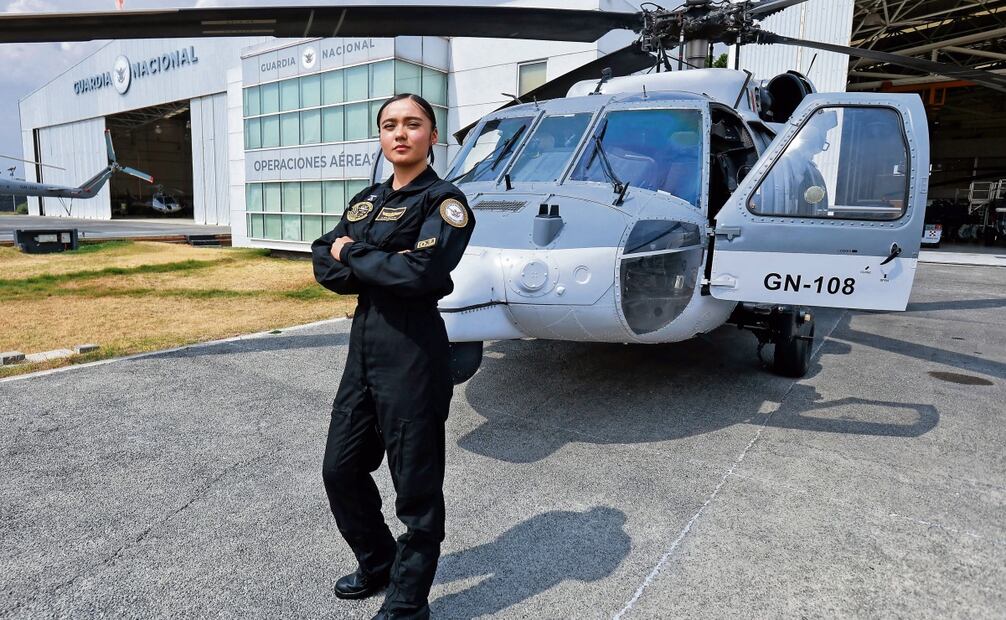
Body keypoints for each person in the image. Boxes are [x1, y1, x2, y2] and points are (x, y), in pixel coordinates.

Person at [311, 93, 475, 620]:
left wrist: (354, 252)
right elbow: (323, 262)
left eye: (412, 124)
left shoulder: (445, 202)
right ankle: (378, 558)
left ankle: (409, 601)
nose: (399, 133)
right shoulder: (365, 200)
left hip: (413, 350)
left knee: (416, 486)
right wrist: (381, 261)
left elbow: (422, 276)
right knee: (340, 469)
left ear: (432, 134)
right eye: (389, 125)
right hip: (364, 347)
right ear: (380, 137)